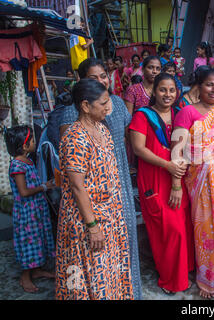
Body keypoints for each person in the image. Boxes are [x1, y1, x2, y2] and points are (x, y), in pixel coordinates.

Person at [59, 58, 142, 299]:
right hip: (90, 218)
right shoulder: (75, 137)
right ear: (85, 106)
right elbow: (77, 185)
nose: (109, 108)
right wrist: (93, 226)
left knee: (109, 271)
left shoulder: (102, 129)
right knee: (90, 274)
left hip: (111, 214)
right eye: (103, 103)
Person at [172, 68, 214, 299]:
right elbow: (178, 152)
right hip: (199, 182)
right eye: (209, 84)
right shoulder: (187, 113)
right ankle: (207, 278)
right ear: (198, 86)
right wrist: (176, 185)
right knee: (205, 231)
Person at [129, 73, 194, 295]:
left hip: (178, 176)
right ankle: (171, 280)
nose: (168, 95)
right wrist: (167, 165)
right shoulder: (142, 116)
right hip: (155, 178)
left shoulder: (179, 114)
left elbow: (187, 146)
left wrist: (178, 169)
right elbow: (139, 149)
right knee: (168, 229)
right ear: (153, 92)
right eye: (163, 90)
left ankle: (185, 269)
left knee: (183, 225)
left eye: (172, 90)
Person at [4, 126, 55, 293]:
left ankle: (36, 270)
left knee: (38, 241)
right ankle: (25, 277)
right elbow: (24, 192)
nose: (35, 143)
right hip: (27, 213)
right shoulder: (17, 166)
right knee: (29, 243)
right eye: (32, 141)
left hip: (36, 210)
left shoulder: (28, 160)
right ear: (24, 146)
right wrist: (43, 187)